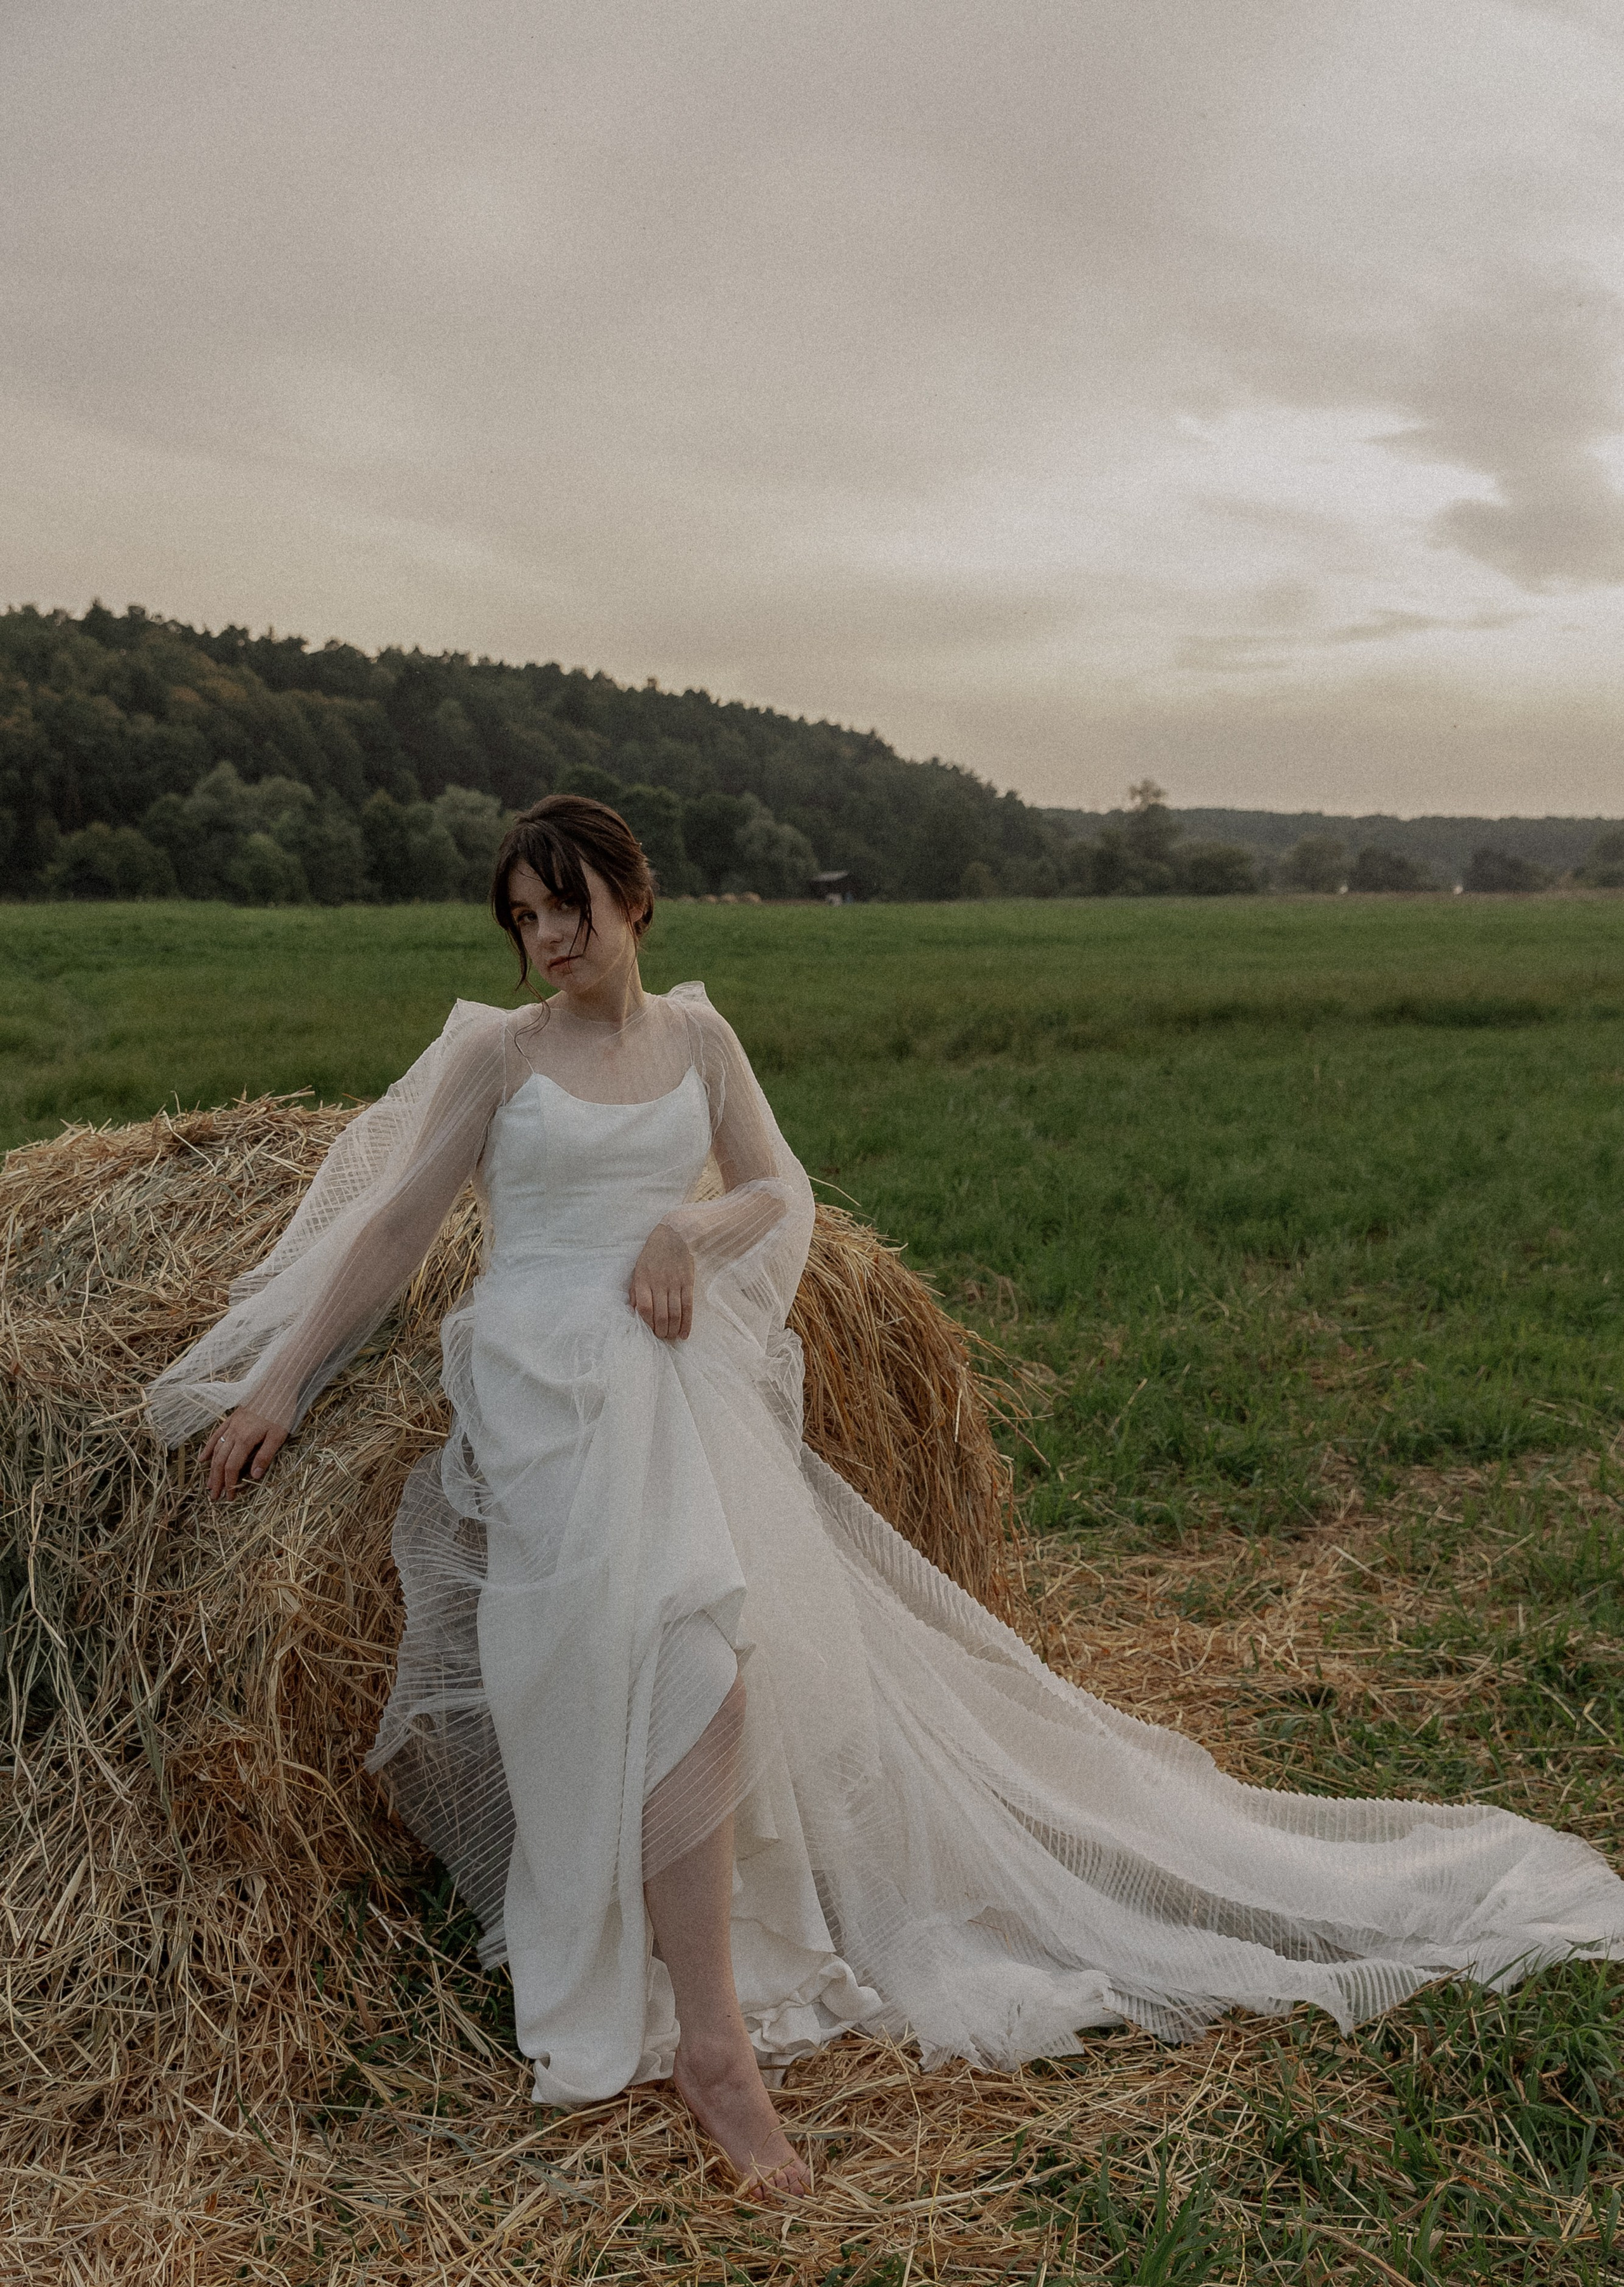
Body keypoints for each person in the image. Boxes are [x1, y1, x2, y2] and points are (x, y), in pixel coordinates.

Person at [150, 796, 1624, 2203]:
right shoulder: (500, 1053)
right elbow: (404, 1219)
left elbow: (777, 1192)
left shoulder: (701, 1035)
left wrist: (686, 1222)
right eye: (523, 917)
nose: (547, 939)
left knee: (705, 1676)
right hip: (543, 1390)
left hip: (673, 1386)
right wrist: (284, 1380)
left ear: (633, 898)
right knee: (617, 1671)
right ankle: (675, 2005)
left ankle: (716, 2049)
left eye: (569, 907)